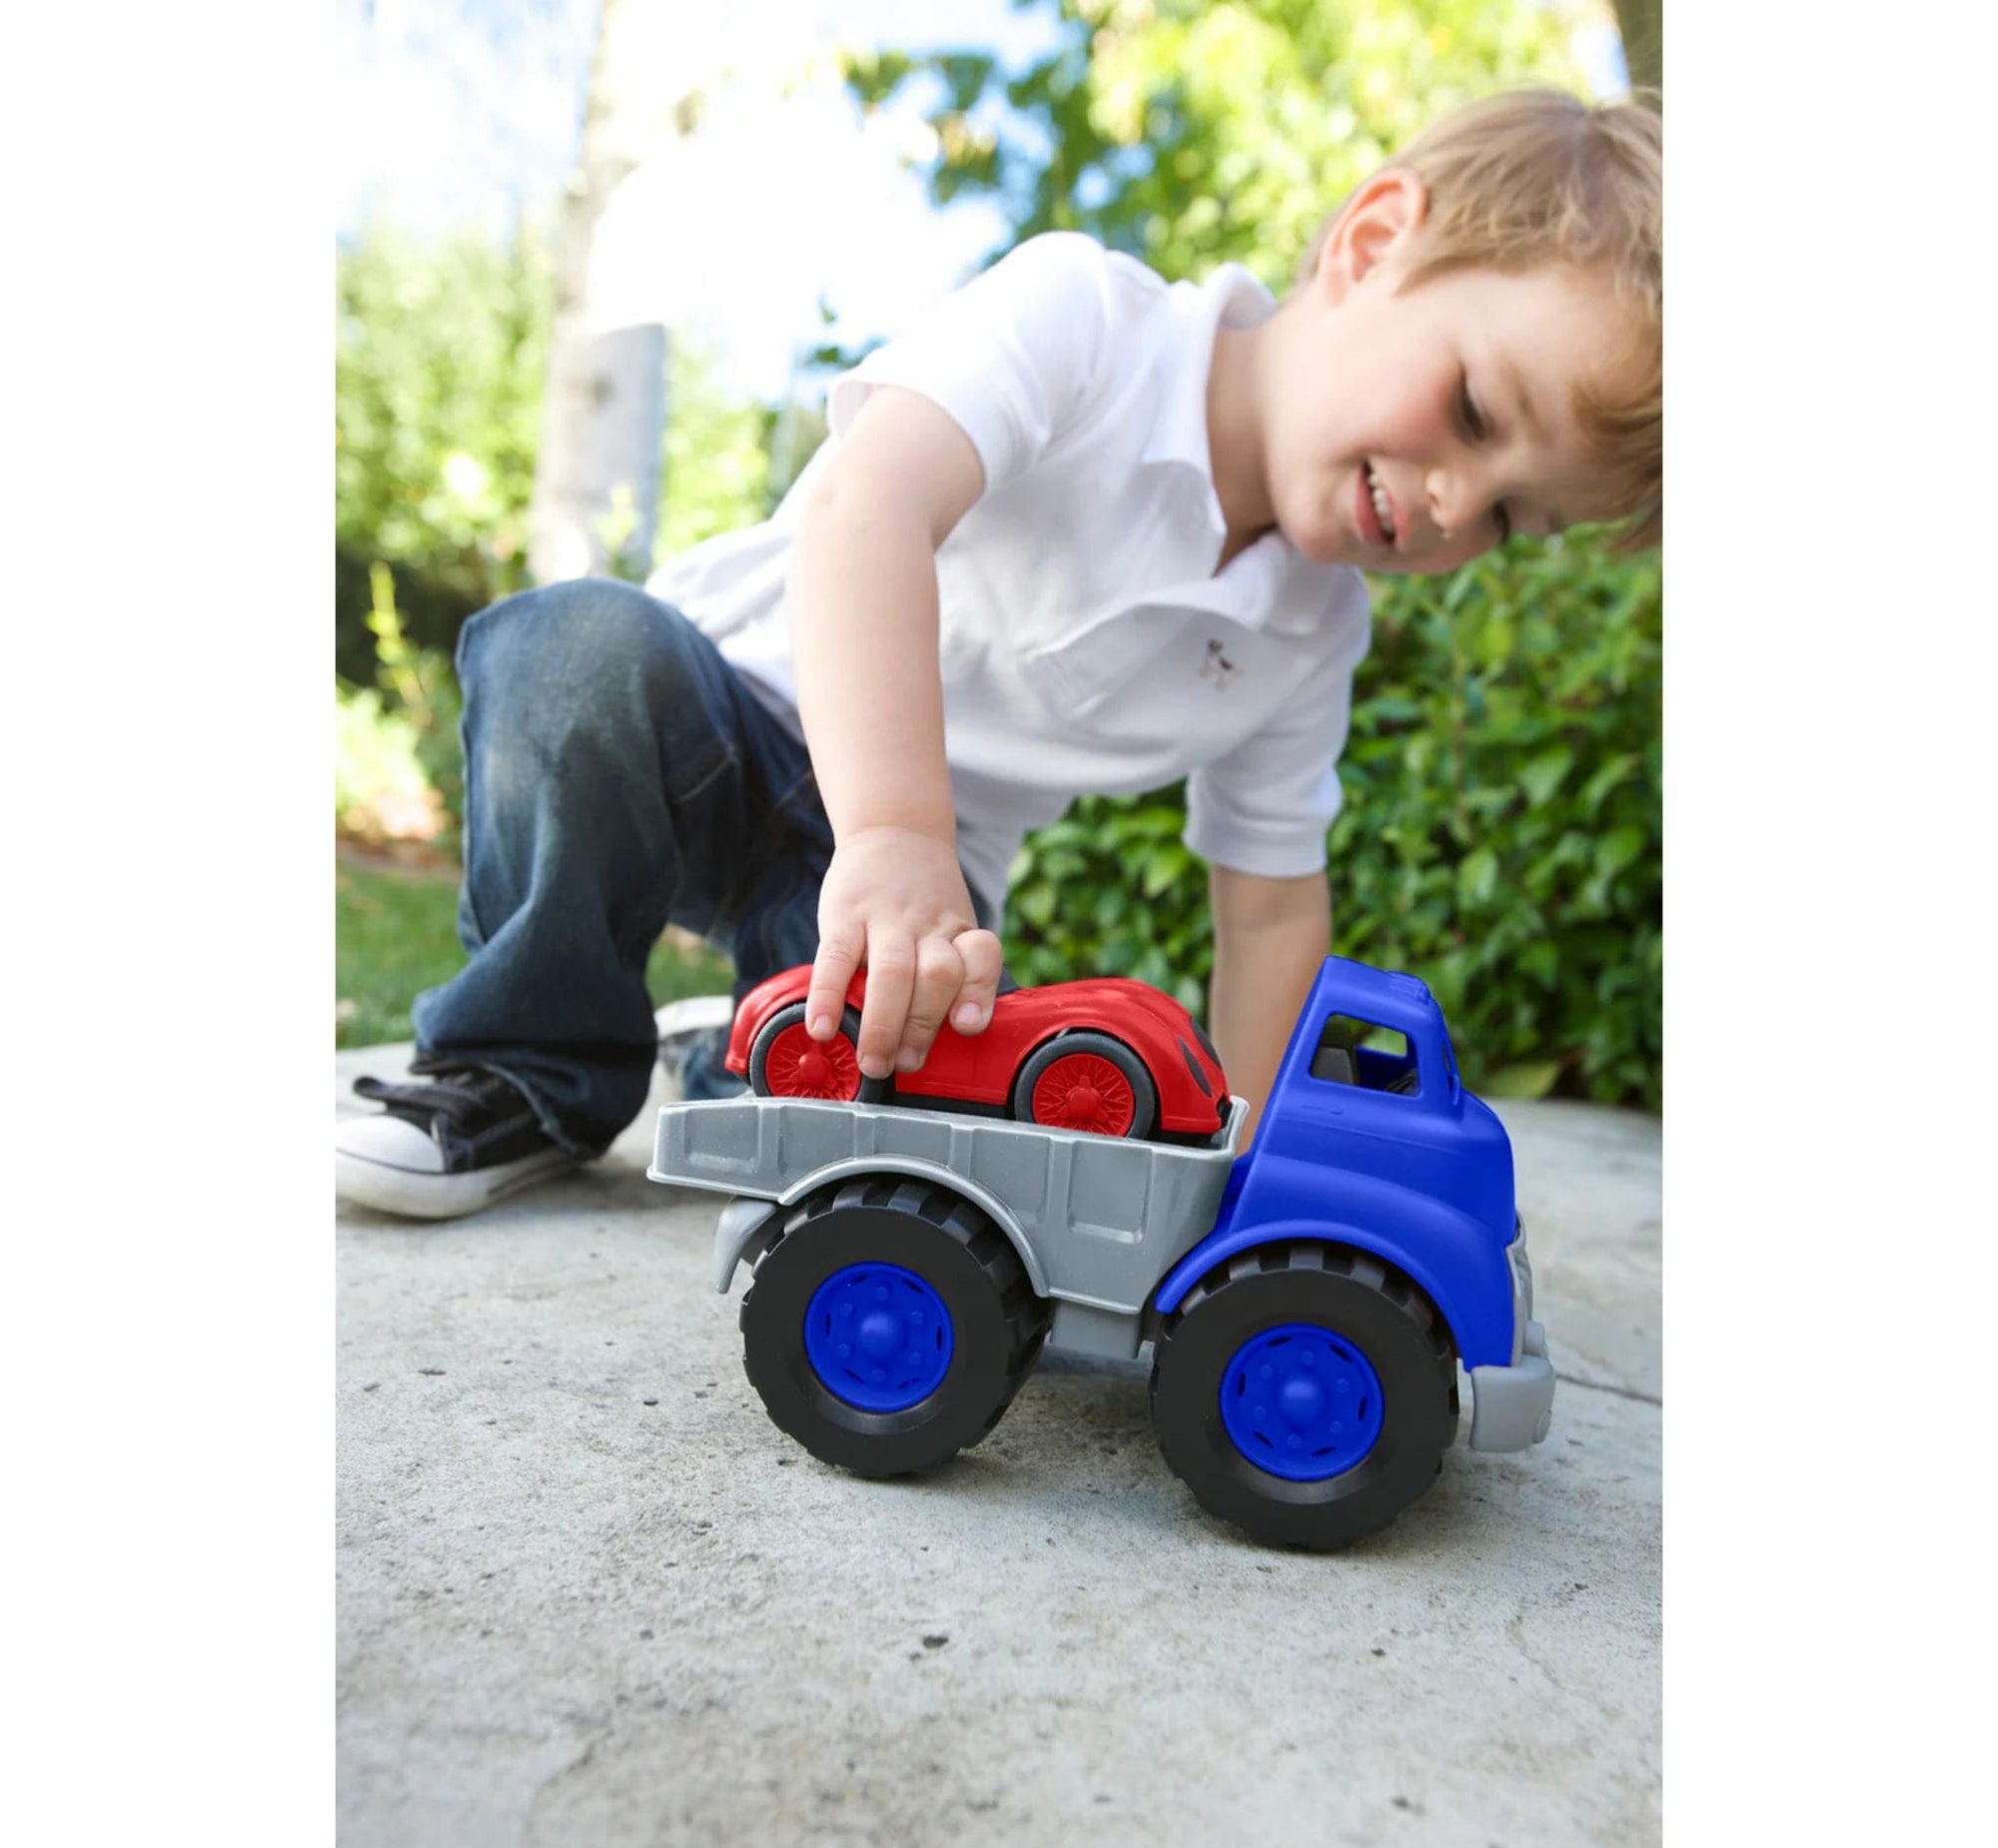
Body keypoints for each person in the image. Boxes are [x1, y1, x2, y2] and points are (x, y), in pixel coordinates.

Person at [336, 87, 1662, 1221]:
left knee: (887, 1131)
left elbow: (1266, 909)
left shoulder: (1311, 632)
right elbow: (872, 508)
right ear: (1375, 242)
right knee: (570, 654)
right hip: (718, 714)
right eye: (1478, 411)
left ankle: (742, 1055)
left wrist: (1247, 1167)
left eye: (1511, 520)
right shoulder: (1089, 319)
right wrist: (898, 832)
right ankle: (523, 1069)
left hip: (916, 884)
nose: (1453, 507)